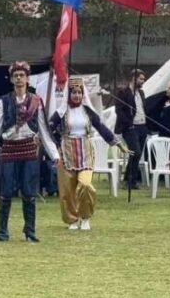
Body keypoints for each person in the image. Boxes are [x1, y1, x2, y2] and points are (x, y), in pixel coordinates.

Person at [0, 61, 59, 242]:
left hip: (29, 150)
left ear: (28, 79)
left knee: (29, 193)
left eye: (22, 75)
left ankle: (30, 230)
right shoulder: (4, 101)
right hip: (9, 149)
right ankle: (2, 231)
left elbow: (44, 131)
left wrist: (55, 155)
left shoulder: (36, 102)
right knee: (5, 193)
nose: (19, 79)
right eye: (16, 76)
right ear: (12, 79)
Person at [48, 77, 124, 231]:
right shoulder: (61, 112)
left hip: (85, 151)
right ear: (68, 94)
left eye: (79, 92)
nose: (77, 95)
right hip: (66, 152)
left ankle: (85, 216)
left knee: (85, 184)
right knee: (67, 189)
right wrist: (54, 144)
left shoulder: (88, 111)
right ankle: (72, 219)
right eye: (74, 92)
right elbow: (49, 129)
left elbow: (101, 127)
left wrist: (116, 143)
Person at [115, 69, 149, 189]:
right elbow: (119, 110)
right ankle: (130, 181)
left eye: (143, 79)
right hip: (130, 127)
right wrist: (128, 124)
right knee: (136, 152)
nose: (143, 81)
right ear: (134, 78)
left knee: (137, 155)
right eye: (141, 79)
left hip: (142, 126)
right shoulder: (123, 92)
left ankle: (130, 180)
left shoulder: (142, 93)